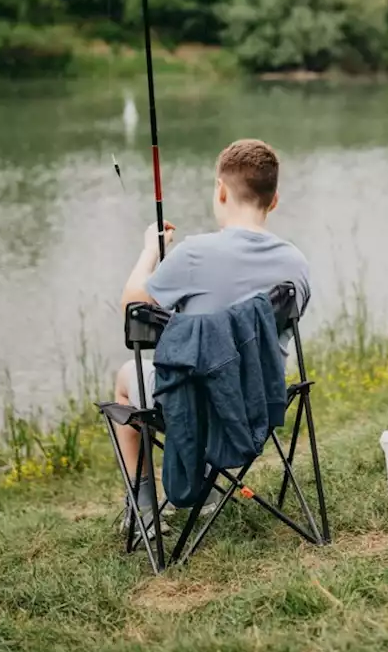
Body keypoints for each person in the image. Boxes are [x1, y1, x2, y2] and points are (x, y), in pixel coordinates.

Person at [112, 138, 310, 527]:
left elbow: (132, 309)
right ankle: (204, 483)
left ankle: (144, 507)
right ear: (273, 201)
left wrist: (150, 252)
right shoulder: (296, 264)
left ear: (220, 189)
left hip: (191, 408)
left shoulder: (192, 254)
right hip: (261, 403)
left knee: (124, 377)